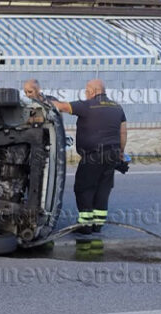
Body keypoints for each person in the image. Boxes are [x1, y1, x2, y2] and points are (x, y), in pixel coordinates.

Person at [52, 79, 127, 234]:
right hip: (112, 154)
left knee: (83, 188)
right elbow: (123, 133)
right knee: (103, 188)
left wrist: (44, 100)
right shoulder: (117, 107)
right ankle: (98, 224)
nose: (86, 94)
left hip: (93, 155)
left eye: (86, 91)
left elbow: (62, 107)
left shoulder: (88, 105)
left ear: (92, 91)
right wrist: (120, 152)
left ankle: (85, 225)